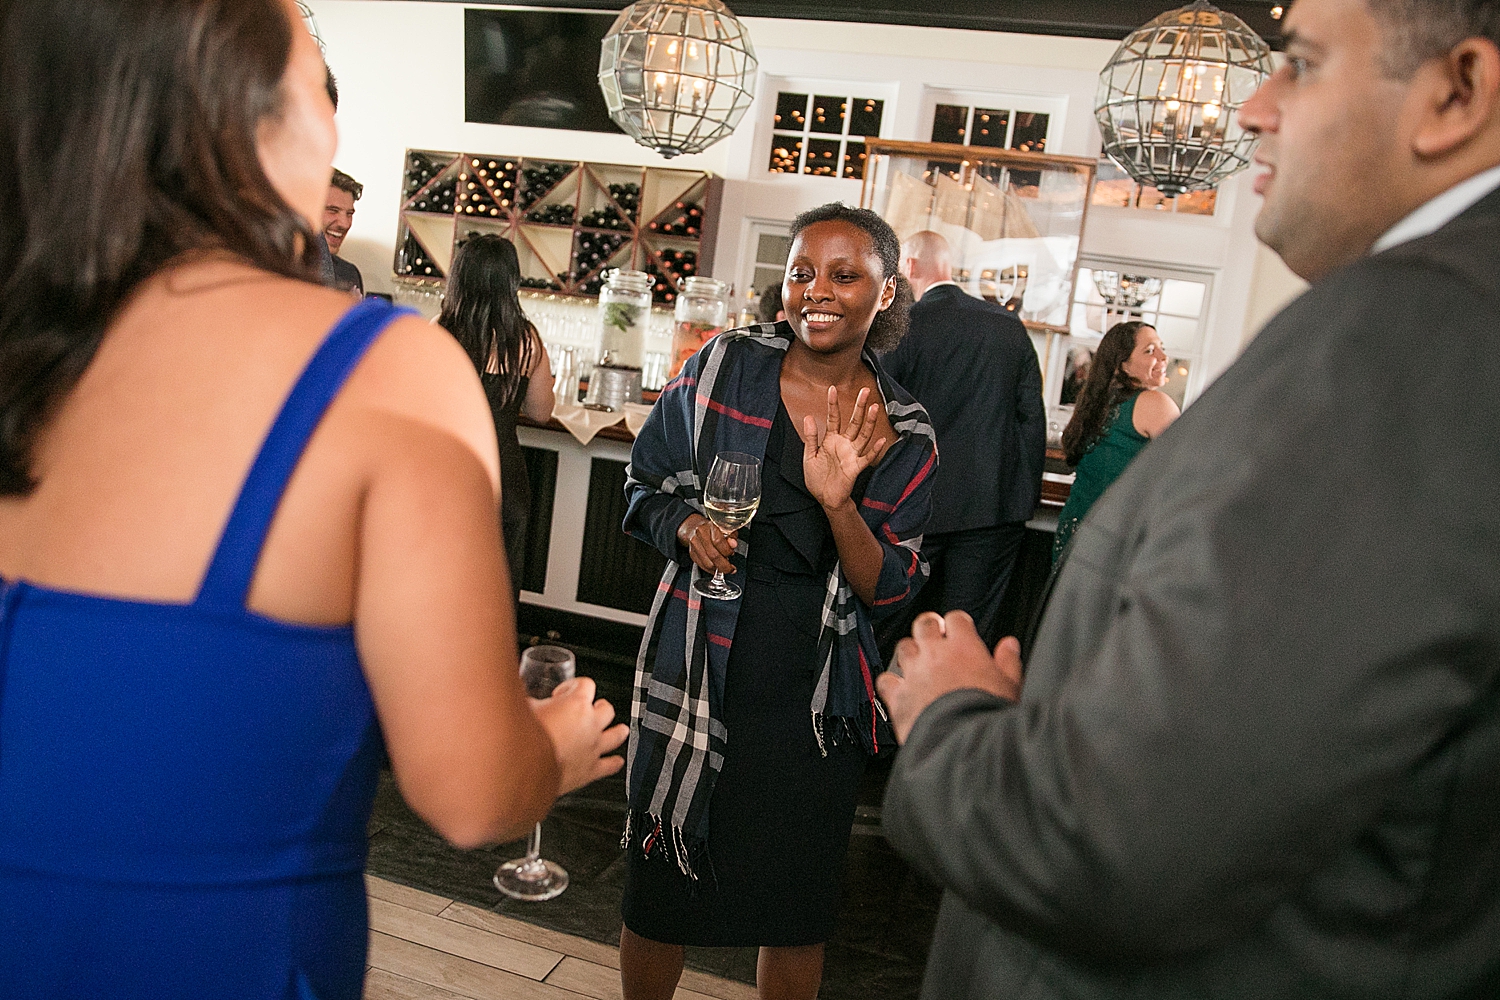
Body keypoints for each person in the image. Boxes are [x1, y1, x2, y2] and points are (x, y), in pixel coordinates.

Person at [0, 3, 625, 997]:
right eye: (320, 87)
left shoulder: (29, 349)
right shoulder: (384, 372)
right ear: (240, 115)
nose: (334, 125)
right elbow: (469, 794)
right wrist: (552, 747)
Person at [877, 0, 1500, 996]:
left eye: (1300, 62)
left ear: (1455, 91)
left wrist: (951, 713)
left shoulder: (1403, 341)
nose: (1255, 108)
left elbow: (1112, 840)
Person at [619, 203, 936, 1000]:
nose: (815, 291)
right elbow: (641, 484)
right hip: (696, 660)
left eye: (843, 274)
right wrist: (685, 523)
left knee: (793, 910)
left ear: (887, 291)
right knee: (661, 895)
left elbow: (891, 587)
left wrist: (839, 502)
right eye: (800, 272)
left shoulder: (901, 429)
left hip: (811, 694)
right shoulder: (726, 363)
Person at [880, 230, 1045, 647]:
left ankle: (876, 710)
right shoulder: (1008, 326)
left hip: (915, 507)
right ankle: (957, 712)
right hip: (993, 510)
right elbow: (1031, 420)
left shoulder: (903, 326)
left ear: (910, 267)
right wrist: (1019, 501)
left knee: (888, 629)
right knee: (968, 636)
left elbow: (879, 413)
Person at [438, 234, 555, 593]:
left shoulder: (438, 333)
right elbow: (541, 412)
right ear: (512, 282)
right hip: (505, 479)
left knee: (444, 585)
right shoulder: (528, 341)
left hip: (448, 475)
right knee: (497, 591)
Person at [1051, 320, 1179, 560]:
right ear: (1124, 366)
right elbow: (1185, 474)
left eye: (1161, 347)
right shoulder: (1155, 404)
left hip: (1074, 534)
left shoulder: (1095, 405)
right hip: (1115, 541)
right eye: (1150, 350)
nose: (1163, 357)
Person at [323, 167, 365, 294]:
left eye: (349, 214)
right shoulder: (275, 271)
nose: (344, 224)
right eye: (333, 210)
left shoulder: (349, 273)